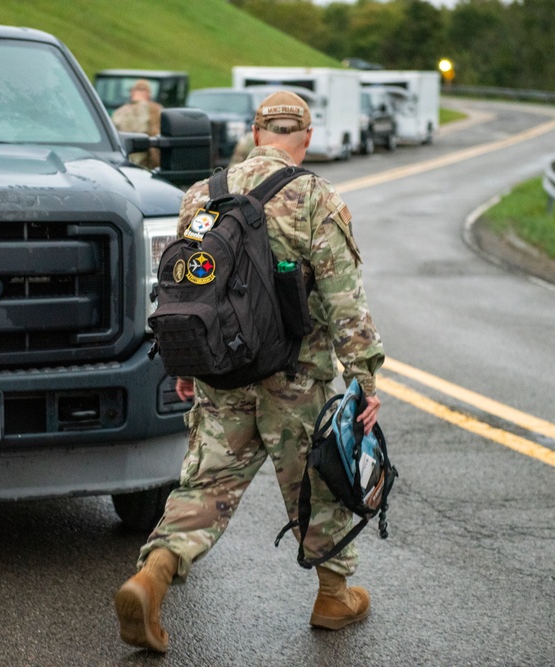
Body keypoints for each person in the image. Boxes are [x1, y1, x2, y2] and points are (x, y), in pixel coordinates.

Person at [114, 91, 385, 653]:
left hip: (222, 374)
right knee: (317, 484)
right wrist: (363, 379)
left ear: (256, 133)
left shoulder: (202, 196)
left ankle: (153, 576)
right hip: (294, 380)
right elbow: (344, 301)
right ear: (305, 139)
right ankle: (333, 596)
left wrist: (184, 362)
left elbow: (181, 290)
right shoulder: (313, 196)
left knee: (206, 484)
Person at [111, 78, 164, 169]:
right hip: (147, 166)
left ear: (132, 92)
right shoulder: (157, 110)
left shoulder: (119, 113)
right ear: (149, 94)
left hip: (123, 163)